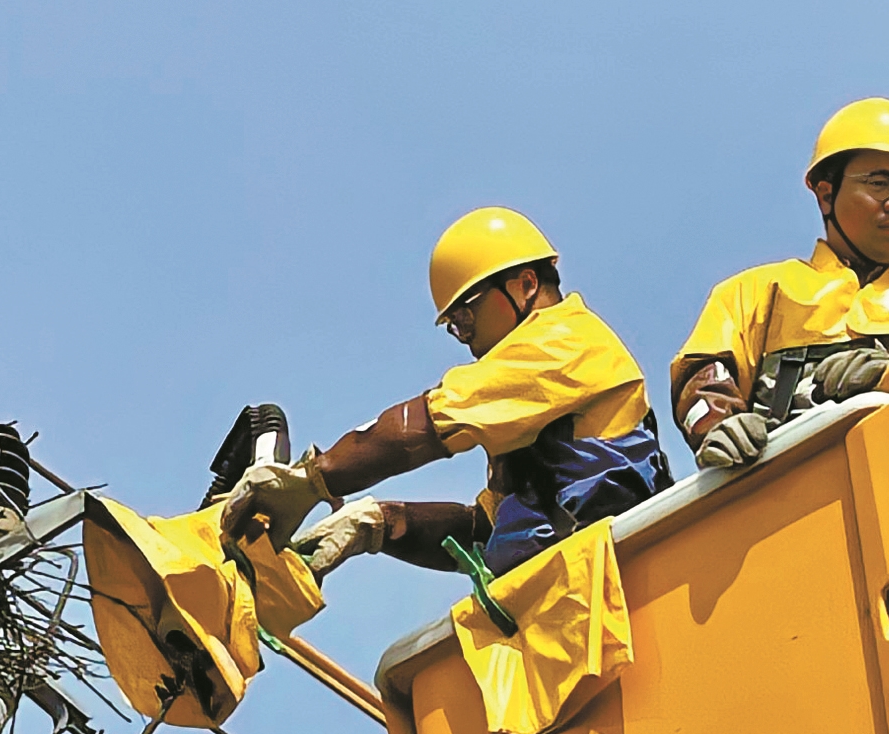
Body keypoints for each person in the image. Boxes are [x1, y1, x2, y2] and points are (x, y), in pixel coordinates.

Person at [221, 208, 669, 578]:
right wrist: (382, 523)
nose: (463, 336)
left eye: (466, 315)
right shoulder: (530, 416)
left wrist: (313, 479)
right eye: (453, 324)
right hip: (573, 600)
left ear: (525, 285)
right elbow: (485, 533)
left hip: (618, 584)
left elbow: (427, 423)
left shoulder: (562, 345)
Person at [674, 98, 889, 469]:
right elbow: (702, 381)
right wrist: (719, 428)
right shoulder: (753, 294)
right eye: (880, 183)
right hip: (789, 487)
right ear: (826, 194)